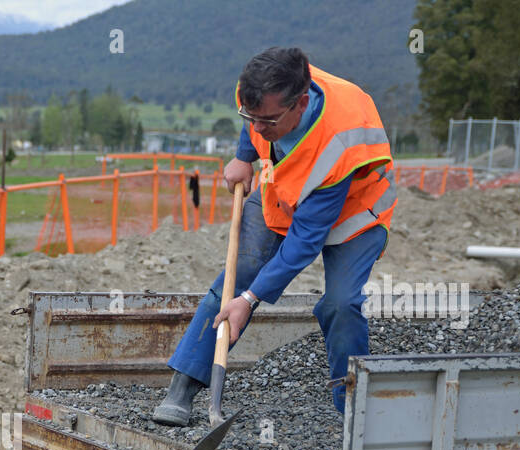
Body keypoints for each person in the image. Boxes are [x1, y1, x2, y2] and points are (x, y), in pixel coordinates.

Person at [152, 46, 396, 423]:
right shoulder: (260, 91)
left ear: (300, 104)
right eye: (251, 117)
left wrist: (250, 300)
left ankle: (352, 415)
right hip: (282, 190)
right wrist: (242, 154)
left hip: (354, 212)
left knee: (341, 304)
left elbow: (303, 243)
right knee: (239, 274)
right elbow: (254, 120)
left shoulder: (339, 140)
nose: (258, 126)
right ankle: (184, 385)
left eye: (267, 121)